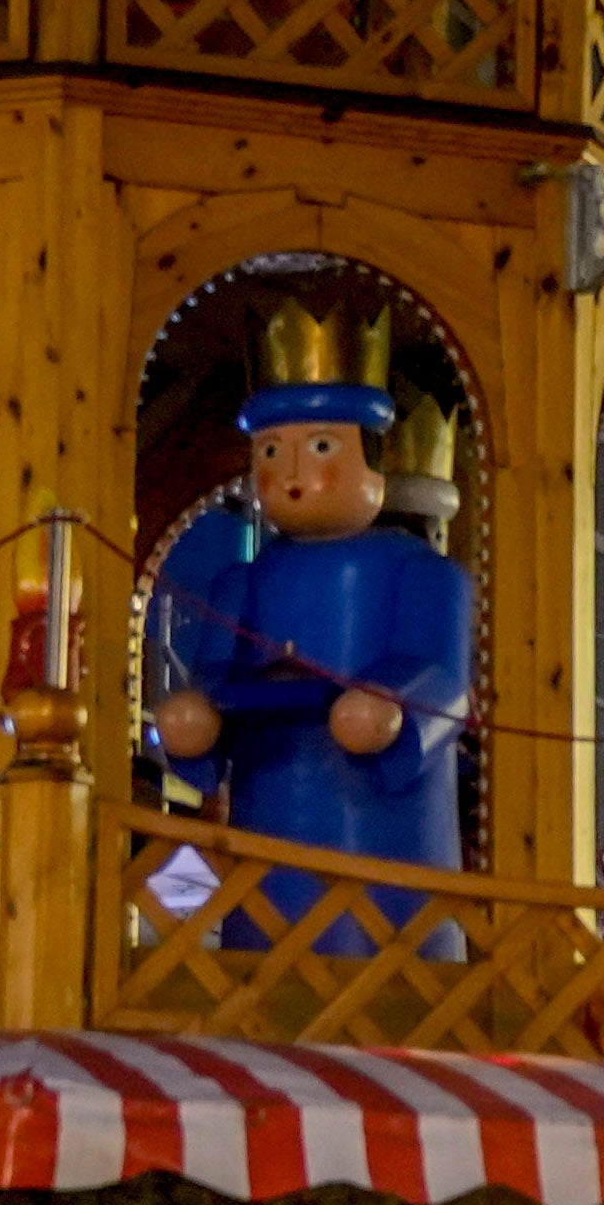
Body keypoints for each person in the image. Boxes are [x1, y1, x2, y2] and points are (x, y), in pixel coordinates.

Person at [147, 304, 472, 870]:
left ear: (373, 460)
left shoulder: (423, 573)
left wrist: (391, 707)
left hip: (389, 829)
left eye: (320, 447)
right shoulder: (245, 580)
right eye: (272, 451)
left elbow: (445, 681)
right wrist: (197, 717)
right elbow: (215, 676)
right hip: (271, 806)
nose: (292, 475)